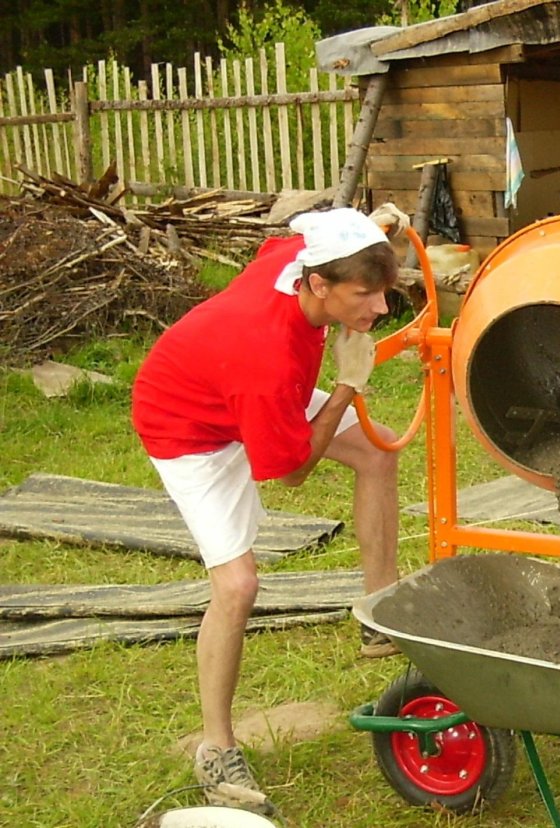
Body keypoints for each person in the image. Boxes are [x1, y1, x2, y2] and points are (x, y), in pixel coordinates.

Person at [131, 205, 410, 813]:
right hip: (187, 426)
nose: (380, 310)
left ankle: (379, 614)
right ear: (319, 286)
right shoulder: (267, 353)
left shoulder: (300, 257)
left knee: (375, 452)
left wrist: (375, 228)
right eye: (366, 294)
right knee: (237, 585)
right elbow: (292, 471)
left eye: (381, 291)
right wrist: (347, 384)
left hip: (235, 385)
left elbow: (288, 240)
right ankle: (216, 747)